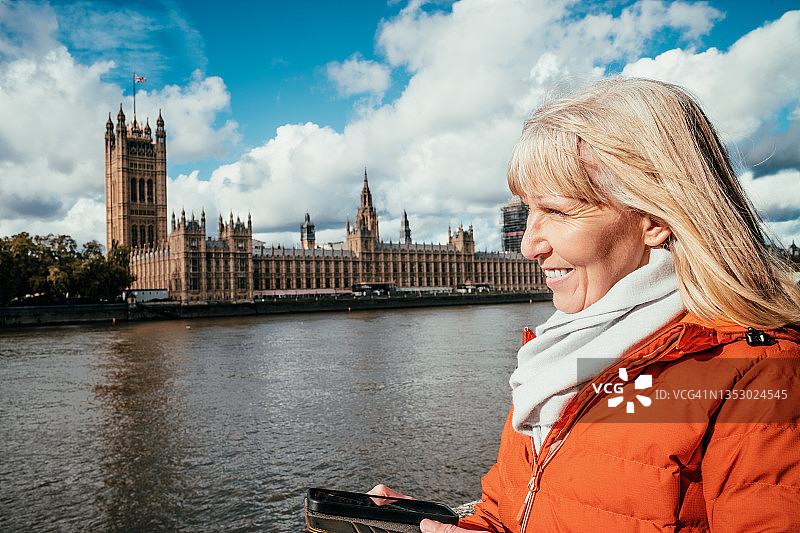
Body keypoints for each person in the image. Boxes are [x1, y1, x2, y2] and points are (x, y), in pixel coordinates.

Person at [369, 77, 800, 532]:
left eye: (557, 211)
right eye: (528, 211)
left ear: (653, 220)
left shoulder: (758, 377)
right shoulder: (555, 360)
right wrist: (442, 525)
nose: (528, 246)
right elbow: (516, 511)